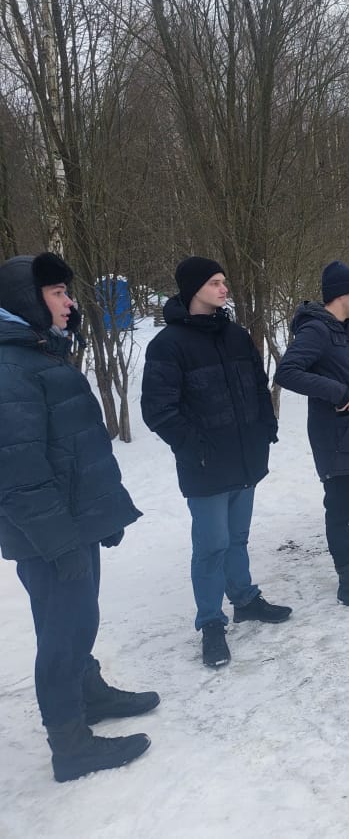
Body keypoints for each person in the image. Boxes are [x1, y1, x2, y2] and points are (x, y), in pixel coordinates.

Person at [0, 252, 156, 782]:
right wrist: (62, 543)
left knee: (76, 621)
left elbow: (71, 448)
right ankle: (70, 746)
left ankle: (88, 694)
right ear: (28, 300)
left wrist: (99, 517)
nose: (70, 303)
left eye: (68, 292)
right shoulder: (9, 367)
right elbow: (18, 477)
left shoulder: (37, 354)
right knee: (61, 636)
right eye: (58, 294)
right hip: (48, 537)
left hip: (69, 525)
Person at [142, 256, 291, 669]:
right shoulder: (168, 345)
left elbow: (259, 387)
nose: (224, 288)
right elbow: (158, 410)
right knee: (211, 547)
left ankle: (244, 599)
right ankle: (210, 622)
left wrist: (266, 426)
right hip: (206, 466)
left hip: (245, 458)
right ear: (193, 289)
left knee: (238, 538)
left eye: (225, 281)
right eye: (214, 282)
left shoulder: (237, 335)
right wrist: (196, 447)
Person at [274, 262, 349, 611]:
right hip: (335, 436)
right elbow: (288, 372)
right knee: (341, 510)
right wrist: (339, 393)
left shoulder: (347, 328)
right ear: (342, 294)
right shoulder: (317, 330)